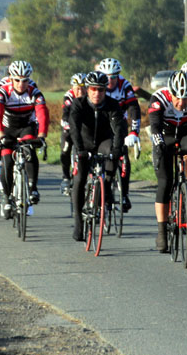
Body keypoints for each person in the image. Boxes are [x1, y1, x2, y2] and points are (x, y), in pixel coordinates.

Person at [148, 70, 187, 253]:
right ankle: (161, 232)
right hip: (165, 135)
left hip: (186, 133)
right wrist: (159, 146)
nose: (181, 102)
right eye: (177, 97)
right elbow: (155, 127)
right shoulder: (158, 98)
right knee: (165, 183)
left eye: (185, 98)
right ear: (170, 92)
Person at [68, 71, 126, 241]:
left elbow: (118, 129)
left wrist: (116, 149)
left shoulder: (113, 105)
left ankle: (104, 194)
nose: (97, 93)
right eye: (93, 89)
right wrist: (79, 150)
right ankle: (78, 221)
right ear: (87, 89)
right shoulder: (78, 104)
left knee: (110, 162)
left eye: (101, 90)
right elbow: (74, 129)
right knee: (79, 179)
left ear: (105, 91)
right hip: (84, 144)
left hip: (104, 142)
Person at [0, 61, 49, 218]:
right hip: (7, 129)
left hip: (26, 127)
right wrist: (0, 134)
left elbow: (42, 113)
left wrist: (42, 135)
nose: (21, 84)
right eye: (17, 80)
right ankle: (7, 196)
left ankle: (32, 187)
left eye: (25, 80)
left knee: (30, 148)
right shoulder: (3, 92)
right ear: (11, 78)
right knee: (7, 161)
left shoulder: (34, 92)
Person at [95, 58, 141, 212]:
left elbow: (133, 108)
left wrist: (134, 132)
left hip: (118, 126)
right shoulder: (97, 86)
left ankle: (124, 194)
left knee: (124, 159)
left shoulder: (124, 86)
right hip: (100, 126)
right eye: (107, 76)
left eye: (113, 77)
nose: (110, 80)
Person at [60, 73, 86, 195]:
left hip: (85, 127)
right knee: (65, 148)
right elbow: (65, 112)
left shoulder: (90, 96)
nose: (80, 91)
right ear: (72, 88)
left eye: (82, 87)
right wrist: (66, 123)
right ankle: (65, 177)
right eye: (77, 88)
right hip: (70, 125)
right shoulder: (69, 96)